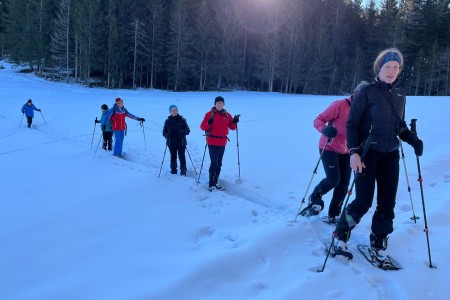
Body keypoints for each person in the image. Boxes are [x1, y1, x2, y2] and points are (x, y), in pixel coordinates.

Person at [332, 48, 424, 268]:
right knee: (363, 201)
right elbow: (352, 124)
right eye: (387, 66)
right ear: (379, 68)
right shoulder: (367, 92)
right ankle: (341, 234)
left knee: (387, 203)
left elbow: (399, 126)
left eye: (396, 67)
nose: (392, 71)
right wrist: (353, 152)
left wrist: (412, 140)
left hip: (390, 154)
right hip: (367, 153)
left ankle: (378, 245)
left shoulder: (400, 93)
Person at [300, 81, 369, 223]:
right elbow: (318, 119)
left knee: (343, 185)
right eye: (360, 95)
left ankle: (334, 215)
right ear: (354, 93)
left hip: (348, 151)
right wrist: (324, 129)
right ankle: (314, 198)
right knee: (333, 179)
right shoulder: (340, 105)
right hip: (329, 147)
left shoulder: (363, 111)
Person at [200, 96, 239, 191]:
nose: (219, 105)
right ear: (215, 104)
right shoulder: (209, 114)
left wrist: (235, 121)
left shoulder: (227, 115)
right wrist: (208, 123)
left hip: (222, 142)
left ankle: (216, 181)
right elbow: (202, 127)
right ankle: (211, 184)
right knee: (214, 162)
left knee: (219, 163)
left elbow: (232, 128)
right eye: (218, 103)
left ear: (223, 104)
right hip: (212, 141)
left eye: (221, 103)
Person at [162, 105, 191, 175]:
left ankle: (183, 170)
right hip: (171, 142)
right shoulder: (167, 121)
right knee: (173, 156)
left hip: (181, 142)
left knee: (182, 156)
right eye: (172, 110)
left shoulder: (183, 120)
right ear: (170, 112)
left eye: (175, 110)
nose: (174, 111)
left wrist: (182, 132)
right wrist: (167, 134)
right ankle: (173, 170)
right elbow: (163, 132)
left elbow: (188, 131)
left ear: (177, 111)